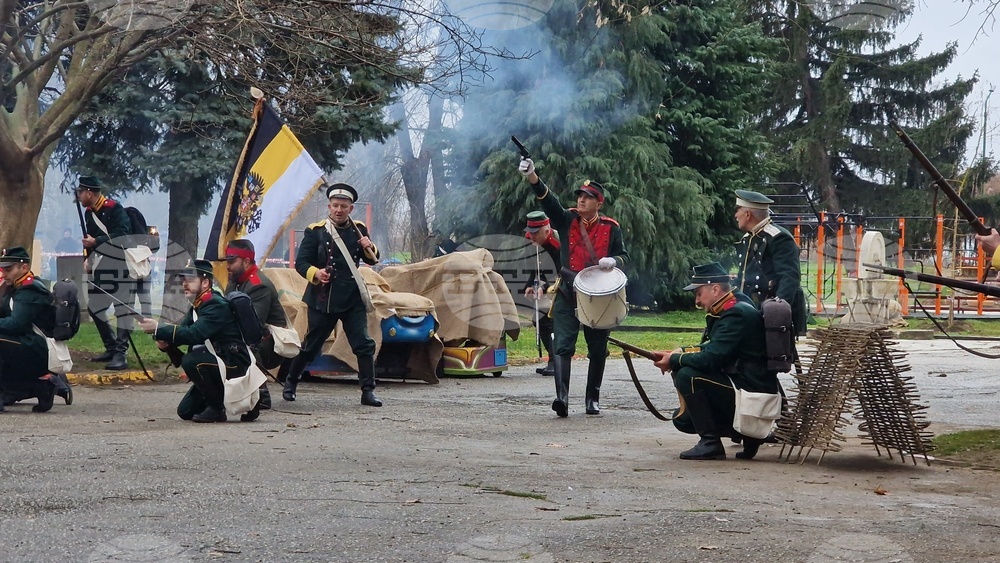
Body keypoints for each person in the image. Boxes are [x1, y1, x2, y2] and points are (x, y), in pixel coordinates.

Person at [518, 158, 629, 417]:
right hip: (569, 291)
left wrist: (614, 261)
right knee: (562, 345)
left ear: (599, 202)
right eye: (580, 196)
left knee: (597, 348)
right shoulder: (567, 219)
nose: (581, 200)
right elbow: (549, 201)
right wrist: (533, 177)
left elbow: (625, 257)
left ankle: (593, 398)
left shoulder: (611, 228)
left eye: (588, 197)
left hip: (599, 298)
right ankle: (562, 398)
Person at [652, 263, 780, 461]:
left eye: (699, 293)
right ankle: (746, 435)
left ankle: (711, 443)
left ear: (715, 289)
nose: (697, 301)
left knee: (687, 375)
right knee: (683, 419)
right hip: (747, 385)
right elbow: (715, 347)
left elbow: (712, 358)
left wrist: (676, 360)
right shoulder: (735, 304)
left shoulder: (734, 313)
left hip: (751, 391)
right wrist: (680, 352)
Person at [282, 182, 383, 407]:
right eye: (335, 205)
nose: (339, 209)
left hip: (351, 297)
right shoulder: (316, 231)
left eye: (343, 206)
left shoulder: (358, 229)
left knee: (363, 344)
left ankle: (368, 391)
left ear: (350, 208)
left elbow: (372, 259)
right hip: (322, 297)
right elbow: (301, 263)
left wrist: (370, 246)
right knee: (311, 345)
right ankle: (291, 381)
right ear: (329, 206)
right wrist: (315, 273)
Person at [137, 260, 253, 423]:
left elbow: (194, 334)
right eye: (183, 280)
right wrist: (166, 343)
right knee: (185, 412)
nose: (185, 284)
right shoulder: (199, 305)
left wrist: (159, 328)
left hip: (233, 362)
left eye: (190, 280)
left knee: (190, 360)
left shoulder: (215, 304)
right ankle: (218, 401)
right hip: (218, 362)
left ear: (205, 282)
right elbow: (181, 334)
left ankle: (217, 409)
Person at [224, 239, 289, 410]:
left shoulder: (258, 286)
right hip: (253, 335)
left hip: (270, 344)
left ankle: (262, 394)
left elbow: (253, 326)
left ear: (246, 262)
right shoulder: (234, 281)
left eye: (232, 261)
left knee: (244, 344)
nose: (227, 266)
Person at [732, 189, 806, 335]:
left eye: (738, 210)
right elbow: (744, 278)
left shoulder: (778, 237)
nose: (735, 215)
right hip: (753, 309)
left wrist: (776, 314)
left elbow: (789, 278)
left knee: (776, 355)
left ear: (747, 214)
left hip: (771, 313)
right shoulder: (749, 237)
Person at [77, 175, 132, 370]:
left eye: (81, 192)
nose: (79, 196)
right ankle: (110, 347)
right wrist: (88, 258)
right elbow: (89, 240)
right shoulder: (89, 213)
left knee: (122, 309)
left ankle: (121, 353)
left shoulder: (114, 208)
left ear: (89, 193)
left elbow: (123, 236)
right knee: (95, 306)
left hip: (120, 265)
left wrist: (96, 241)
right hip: (102, 266)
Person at [0, 246, 59, 412]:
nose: (4, 274)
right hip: (27, 343)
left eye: (8, 269)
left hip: (39, 347)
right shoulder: (16, 287)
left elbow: (17, 324)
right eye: (2, 270)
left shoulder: (30, 289)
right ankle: (40, 387)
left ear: (24, 268)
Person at [522, 211, 561, 376]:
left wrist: (544, 288)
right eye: (530, 232)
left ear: (546, 230)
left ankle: (556, 361)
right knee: (539, 320)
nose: (531, 236)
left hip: (560, 285)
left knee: (547, 321)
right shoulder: (531, 239)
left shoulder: (557, 244)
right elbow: (534, 266)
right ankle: (552, 360)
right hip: (544, 284)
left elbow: (561, 271)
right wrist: (529, 284)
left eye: (535, 232)